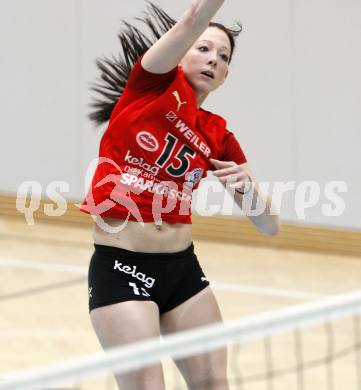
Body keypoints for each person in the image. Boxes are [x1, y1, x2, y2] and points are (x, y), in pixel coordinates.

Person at [80, 1, 280, 389]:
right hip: (122, 268)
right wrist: (199, 21)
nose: (213, 60)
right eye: (203, 48)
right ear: (179, 50)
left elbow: (269, 226)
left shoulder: (217, 134)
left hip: (183, 272)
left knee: (213, 383)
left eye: (223, 57)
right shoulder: (150, 85)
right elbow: (193, 19)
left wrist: (249, 193)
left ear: (225, 76)